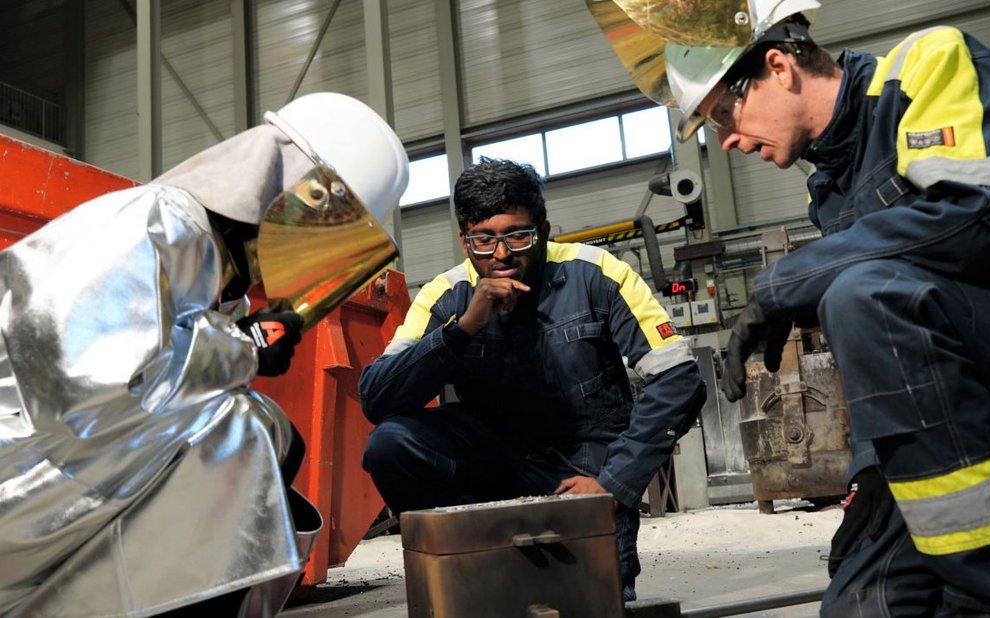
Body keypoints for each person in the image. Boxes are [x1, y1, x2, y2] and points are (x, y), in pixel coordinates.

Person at [590, 0, 990, 615]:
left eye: (724, 113)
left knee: (862, 295)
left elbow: (976, 211)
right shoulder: (830, 189)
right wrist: (868, 476)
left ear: (779, 67)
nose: (725, 140)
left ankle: (983, 586)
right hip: (941, 422)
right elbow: (893, 361)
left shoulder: (927, 67)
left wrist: (785, 284)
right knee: (858, 605)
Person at [0, 92, 409, 617]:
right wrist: (244, 347)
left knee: (268, 434)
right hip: (26, 456)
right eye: (328, 229)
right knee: (243, 431)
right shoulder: (157, 222)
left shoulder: (216, 264)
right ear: (296, 194)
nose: (317, 254)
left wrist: (238, 339)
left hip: (62, 463)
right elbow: (84, 377)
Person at [359, 158, 707, 602]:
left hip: (580, 467)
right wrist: (463, 328)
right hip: (489, 460)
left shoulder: (597, 274)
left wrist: (613, 483)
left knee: (589, 600)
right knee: (390, 443)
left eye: (517, 236)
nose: (501, 255)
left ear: (542, 228)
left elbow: (678, 378)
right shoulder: (446, 296)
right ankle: (460, 553)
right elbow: (376, 396)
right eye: (483, 240)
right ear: (464, 239)